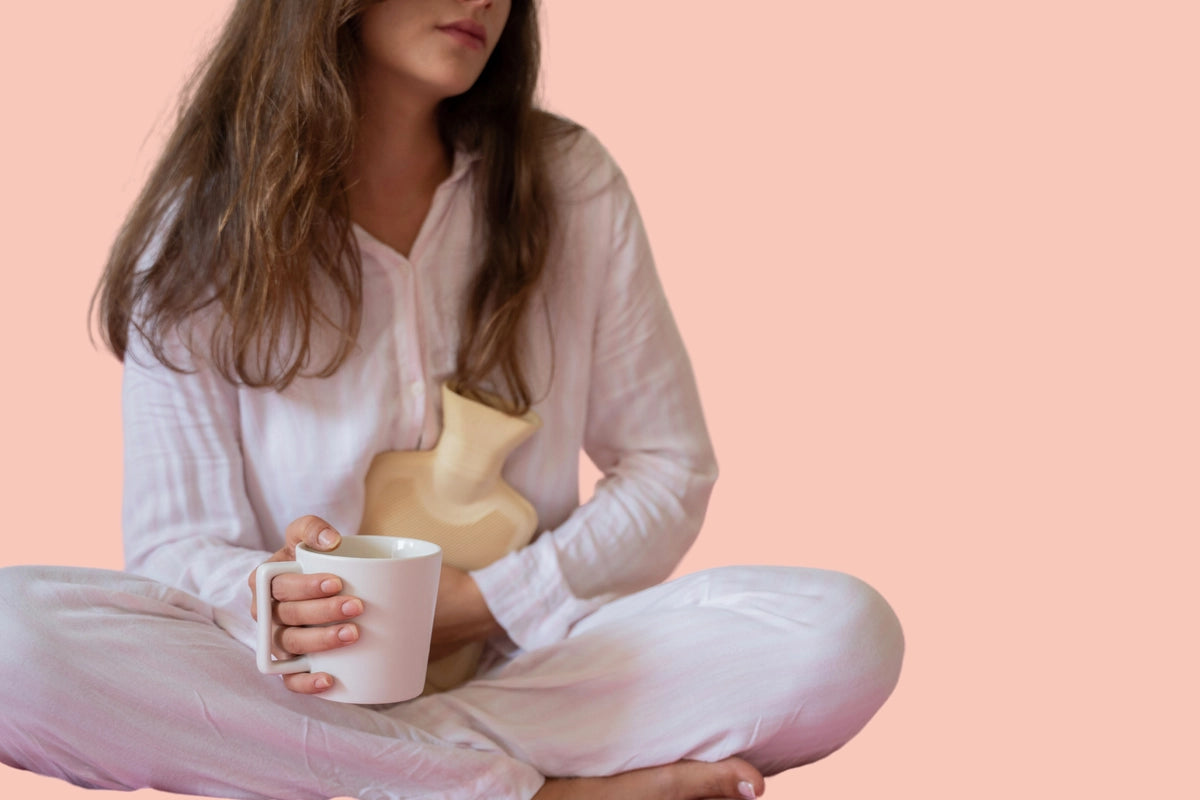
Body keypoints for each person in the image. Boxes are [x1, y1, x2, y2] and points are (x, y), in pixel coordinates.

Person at [0, 1, 904, 798]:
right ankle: (534, 795)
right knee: (10, 641)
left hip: (540, 672)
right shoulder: (200, 237)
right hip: (297, 683)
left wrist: (486, 602)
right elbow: (171, 547)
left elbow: (670, 470)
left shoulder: (571, 183)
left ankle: (379, 774)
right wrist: (272, 594)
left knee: (842, 635)